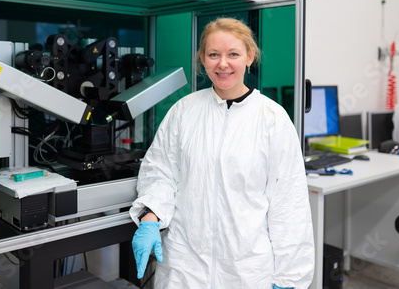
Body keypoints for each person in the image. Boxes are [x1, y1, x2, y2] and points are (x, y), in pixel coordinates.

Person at [130, 17, 314, 289]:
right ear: (202, 59)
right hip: (185, 267)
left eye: (234, 54)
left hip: (246, 271)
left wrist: (289, 278)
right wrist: (150, 218)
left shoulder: (272, 118)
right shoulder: (184, 111)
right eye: (213, 54)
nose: (223, 64)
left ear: (250, 57)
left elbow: (289, 205)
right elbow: (161, 173)